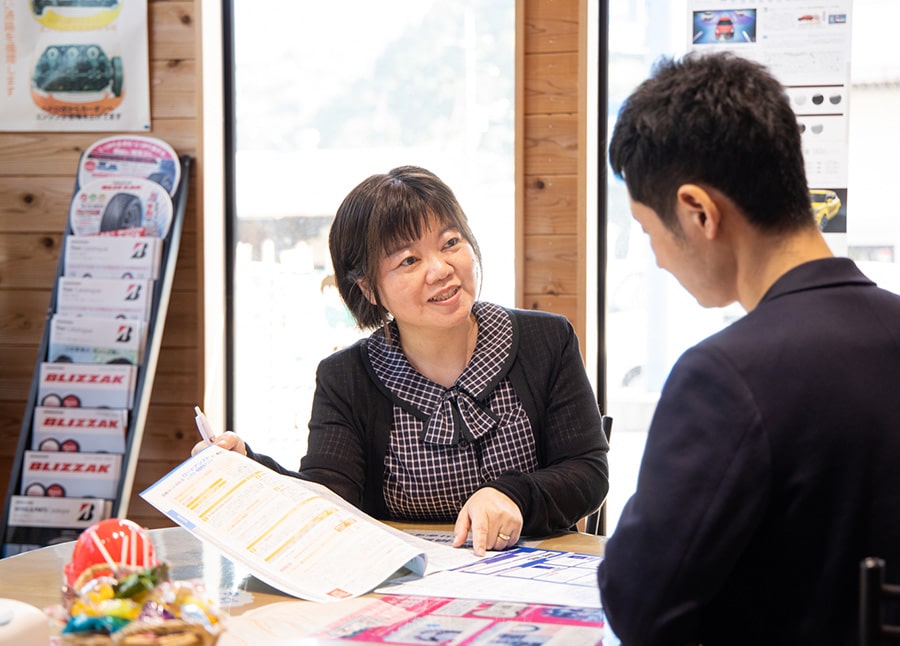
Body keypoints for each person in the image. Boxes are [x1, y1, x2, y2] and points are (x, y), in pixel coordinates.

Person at [596, 51, 900, 644]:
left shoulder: (727, 376)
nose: (656, 257)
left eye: (647, 231)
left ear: (698, 212)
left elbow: (640, 604)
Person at [196, 165, 609, 556]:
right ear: (369, 289)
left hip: (536, 575)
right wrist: (249, 467)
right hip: (407, 586)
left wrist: (513, 494)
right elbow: (330, 499)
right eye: (409, 260)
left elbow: (588, 472)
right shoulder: (347, 377)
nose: (440, 269)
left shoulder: (546, 340)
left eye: (451, 243)